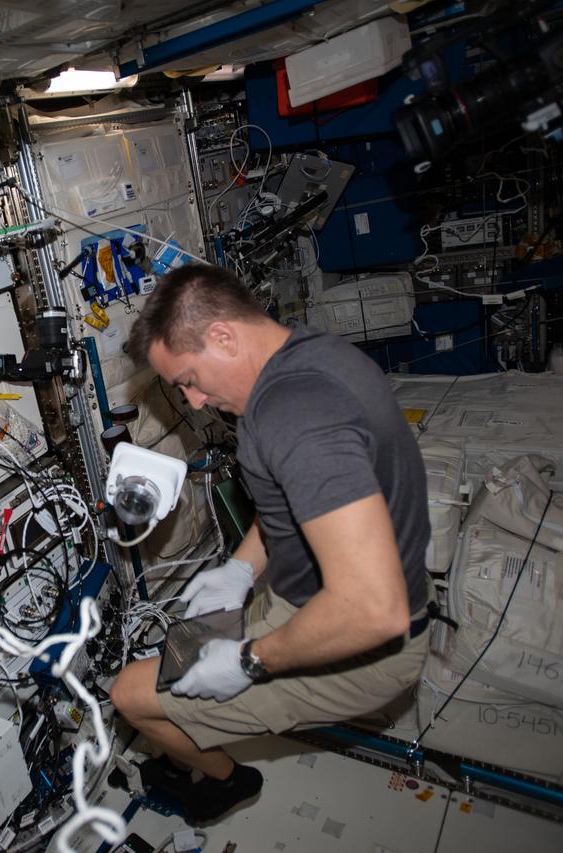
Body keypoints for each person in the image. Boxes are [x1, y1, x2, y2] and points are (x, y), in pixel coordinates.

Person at [109, 263, 432, 824]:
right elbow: (297, 498)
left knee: (129, 696)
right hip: (306, 596)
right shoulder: (310, 356)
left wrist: (250, 660)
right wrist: (240, 568)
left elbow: (373, 610)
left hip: (362, 644)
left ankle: (227, 782)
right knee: (178, 658)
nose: (195, 400)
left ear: (225, 337)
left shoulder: (293, 416)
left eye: (188, 378)